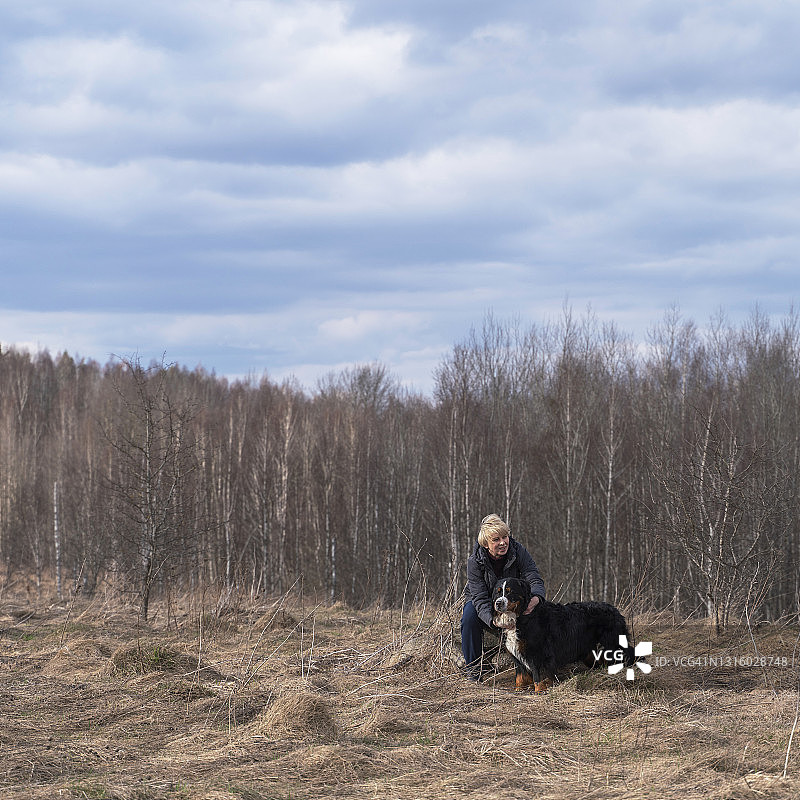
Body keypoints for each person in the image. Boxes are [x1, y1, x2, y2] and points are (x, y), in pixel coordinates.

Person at [461, 513, 546, 681]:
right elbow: (478, 597)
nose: (502, 542)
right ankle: (473, 670)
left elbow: (533, 577)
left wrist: (536, 598)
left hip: (513, 600)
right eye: (496, 539)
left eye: (505, 537)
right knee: (469, 616)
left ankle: (541, 667)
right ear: (486, 544)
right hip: (486, 602)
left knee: (541, 612)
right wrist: (493, 620)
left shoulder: (518, 550)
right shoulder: (474, 562)